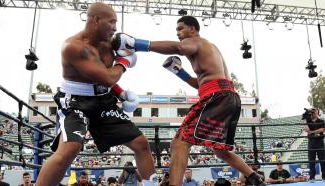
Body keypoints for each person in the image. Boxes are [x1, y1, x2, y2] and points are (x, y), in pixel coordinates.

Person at [112, 15, 266, 186]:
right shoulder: (209, 50)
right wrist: (179, 72)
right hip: (227, 97)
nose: (177, 32)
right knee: (219, 150)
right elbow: (203, 84)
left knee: (179, 143)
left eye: (180, 28)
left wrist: (137, 44)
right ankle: (255, 179)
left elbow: (178, 47)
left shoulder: (197, 42)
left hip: (218, 97)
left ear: (192, 29)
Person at [35, 2, 157, 186]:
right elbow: (108, 77)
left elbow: (103, 80)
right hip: (75, 102)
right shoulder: (73, 46)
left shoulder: (109, 45)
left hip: (103, 100)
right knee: (69, 150)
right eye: (112, 22)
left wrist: (120, 93)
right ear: (96, 20)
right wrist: (124, 62)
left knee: (141, 144)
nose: (116, 28)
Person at [303, 108, 325, 180]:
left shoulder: (321, 121)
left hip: (319, 142)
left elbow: (322, 129)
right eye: (312, 112)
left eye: (314, 111)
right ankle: (312, 177)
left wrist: (312, 132)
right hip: (311, 142)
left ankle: (324, 176)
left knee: (322, 160)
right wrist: (305, 120)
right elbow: (307, 130)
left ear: (317, 113)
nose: (313, 113)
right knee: (311, 160)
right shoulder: (308, 121)